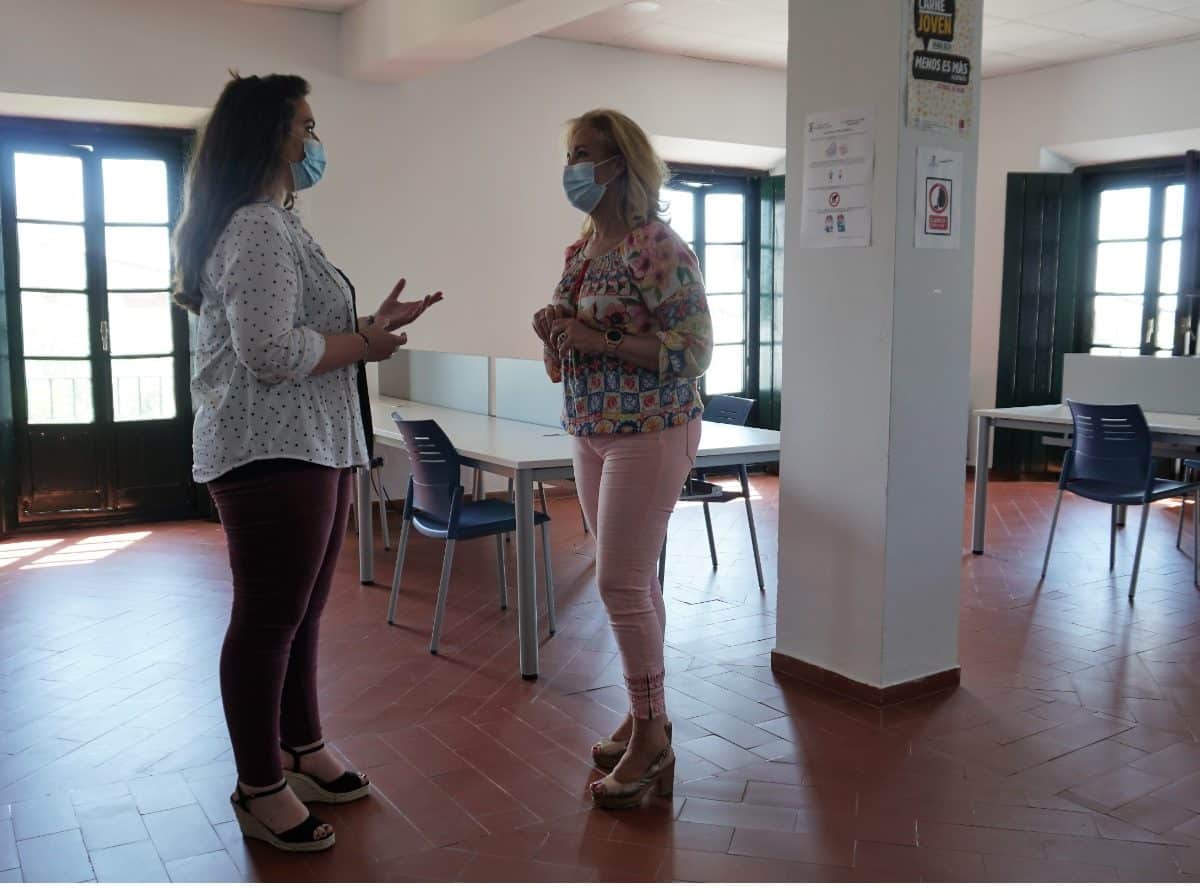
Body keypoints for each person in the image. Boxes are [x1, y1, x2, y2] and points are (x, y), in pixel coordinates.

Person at [173, 73, 444, 852]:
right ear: (269, 136)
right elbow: (271, 352)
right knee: (267, 622)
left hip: (309, 445)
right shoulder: (256, 226)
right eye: (305, 127)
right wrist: (364, 345)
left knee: (298, 615)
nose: (313, 142)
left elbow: (294, 326)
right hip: (270, 451)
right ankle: (260, 784)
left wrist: (370, 322)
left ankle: (302, 746)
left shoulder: (277, 225)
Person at [531, 109, 712, 810]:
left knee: (618, 586)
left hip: (652, 429)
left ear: (620, 165)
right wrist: (551, 334)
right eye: (569, 153)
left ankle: (651, 735)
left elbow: (694, 351)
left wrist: (597, 338)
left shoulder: (655, 246)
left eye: (585, 154)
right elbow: (559, 359)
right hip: (588, 427)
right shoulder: (582, 251)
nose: (572, 168)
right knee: (636, 583)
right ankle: (648, 716)